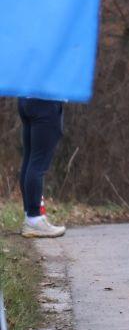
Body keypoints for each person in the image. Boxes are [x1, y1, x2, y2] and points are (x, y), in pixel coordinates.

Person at [17, 97, 67, 238]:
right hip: (45, 102)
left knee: (30, 159)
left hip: (25, 99)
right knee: (38, 164)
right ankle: (34, 219)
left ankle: (30, 216)